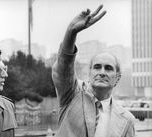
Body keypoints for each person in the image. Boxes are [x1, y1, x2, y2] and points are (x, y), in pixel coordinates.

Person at [52, 5, 135, 137]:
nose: (102, 72)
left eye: (108, 68)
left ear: (117, 78)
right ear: (88, 73)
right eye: (97, 67)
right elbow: (63, 67)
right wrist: (71, 32)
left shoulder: (127, 120)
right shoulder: (72, 94)